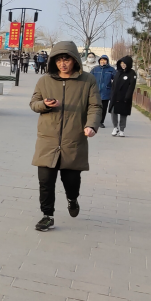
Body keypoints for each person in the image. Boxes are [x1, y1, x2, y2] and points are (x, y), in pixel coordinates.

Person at [30, 41, 101, 231]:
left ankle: (72, 199)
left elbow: (95, 106)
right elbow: (34, 103)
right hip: (48, 140)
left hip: (73, 139)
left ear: (75, 60)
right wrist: (44, 104)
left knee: (71, 181)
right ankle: (47, 216)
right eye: (59, 60)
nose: (63, 64)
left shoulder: (88, 81)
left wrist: (91, 125)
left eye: (67, 60)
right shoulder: (44, 81)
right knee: (45, 181)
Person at [109, 56, 136, 137]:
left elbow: (131, 86)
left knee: (123, 113)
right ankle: (115, 127)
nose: (123, 65)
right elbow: (114, 85)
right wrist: (112, 95)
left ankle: (122, 130)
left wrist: (127, 97)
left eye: (124, 64)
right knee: (113, 111)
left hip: (125, 97)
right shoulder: (118, 72)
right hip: (115, 96)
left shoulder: (132, 73)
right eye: (121, 64)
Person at [90, 55, 114, 128]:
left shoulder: (111, 70)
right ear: (99, 61)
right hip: (95, 92)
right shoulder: (95, 69)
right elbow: (89, 78)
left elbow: (116, 79)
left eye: (104, 60)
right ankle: (93, 121)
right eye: (101, 60)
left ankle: (101, 122)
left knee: (103, 108)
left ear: (107, 61)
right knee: (94, 108)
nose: (103, 61)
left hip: (106, 92)